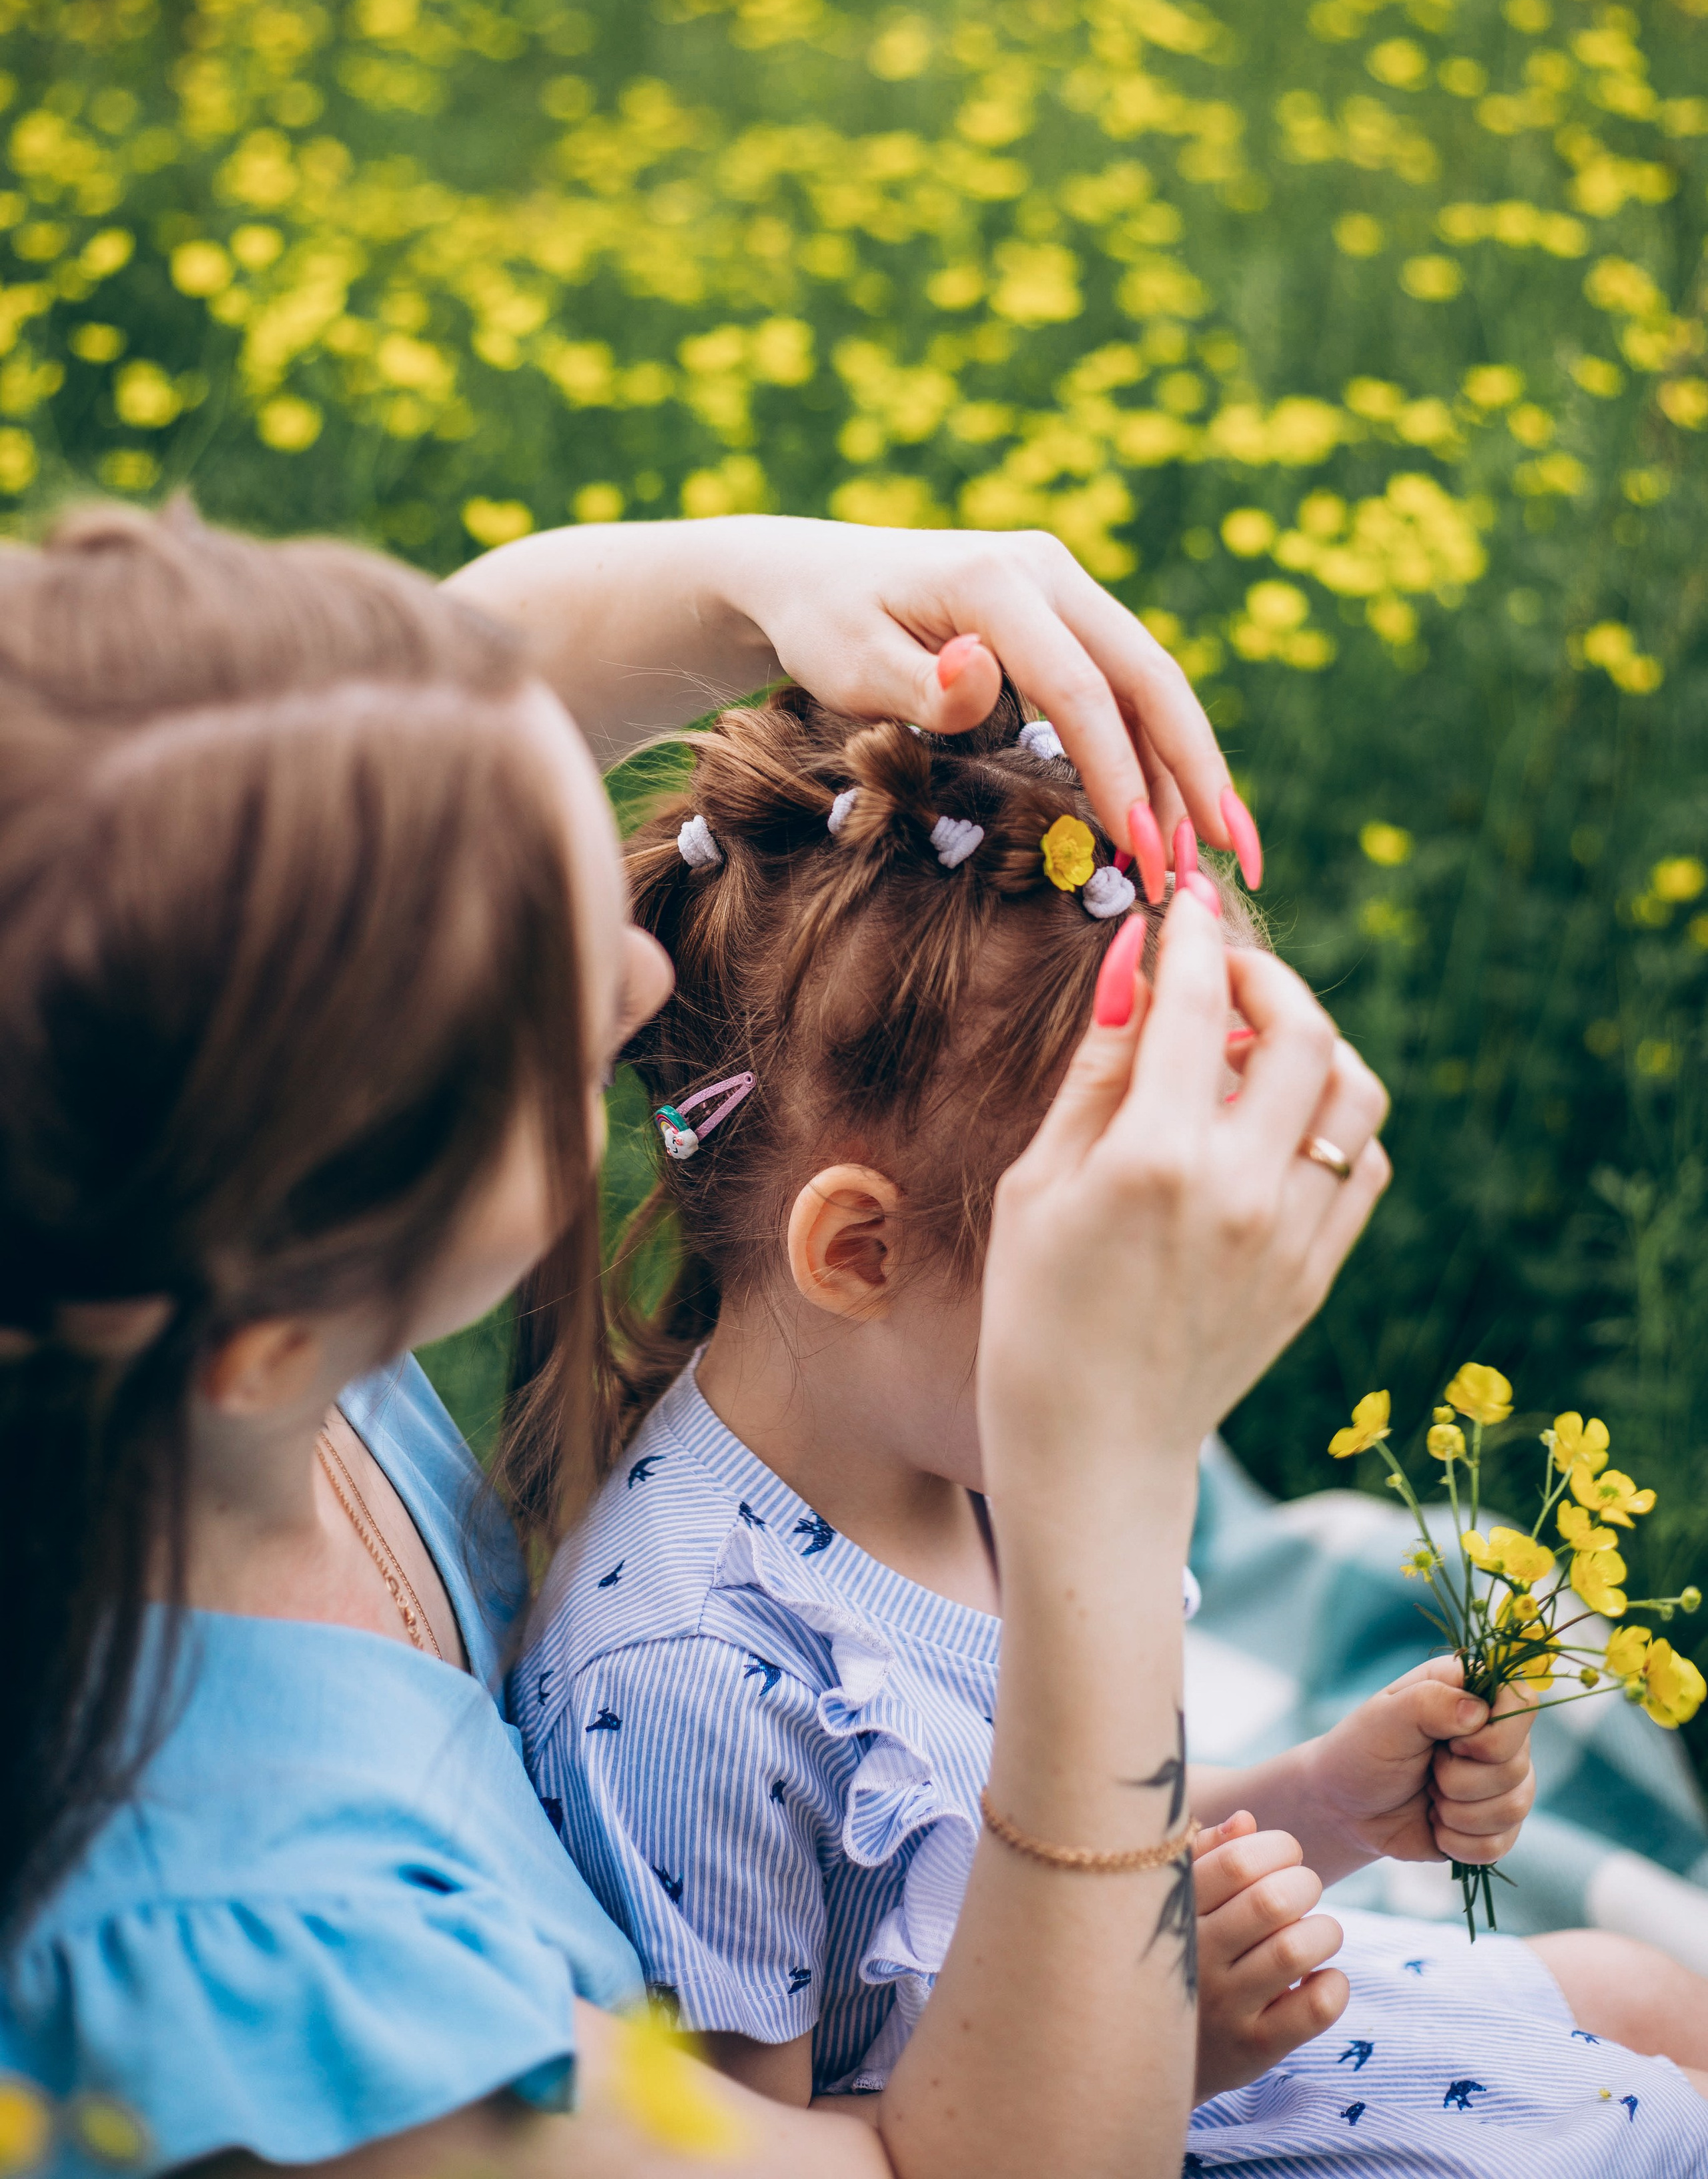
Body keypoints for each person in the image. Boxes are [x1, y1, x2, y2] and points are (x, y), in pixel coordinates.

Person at [0, 500, 1385, 2179]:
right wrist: (1104, 1472)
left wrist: (759, 580)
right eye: (546, 1010)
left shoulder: (136, 1271)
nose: (643, 989)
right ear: (257, 1312)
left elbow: (412, 727)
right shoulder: (273, 1973)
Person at [518, 681, 1708, 2174]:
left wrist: (1316, 1802)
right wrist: (1170, 2037)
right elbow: (753, 2141)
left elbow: (1049, 1829)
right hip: (1105, 2131)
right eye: (1108, 1248)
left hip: (1215, 2056)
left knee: (1655, 1994)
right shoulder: (692, 1669)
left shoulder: (962, 1464)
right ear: (861, 1254)